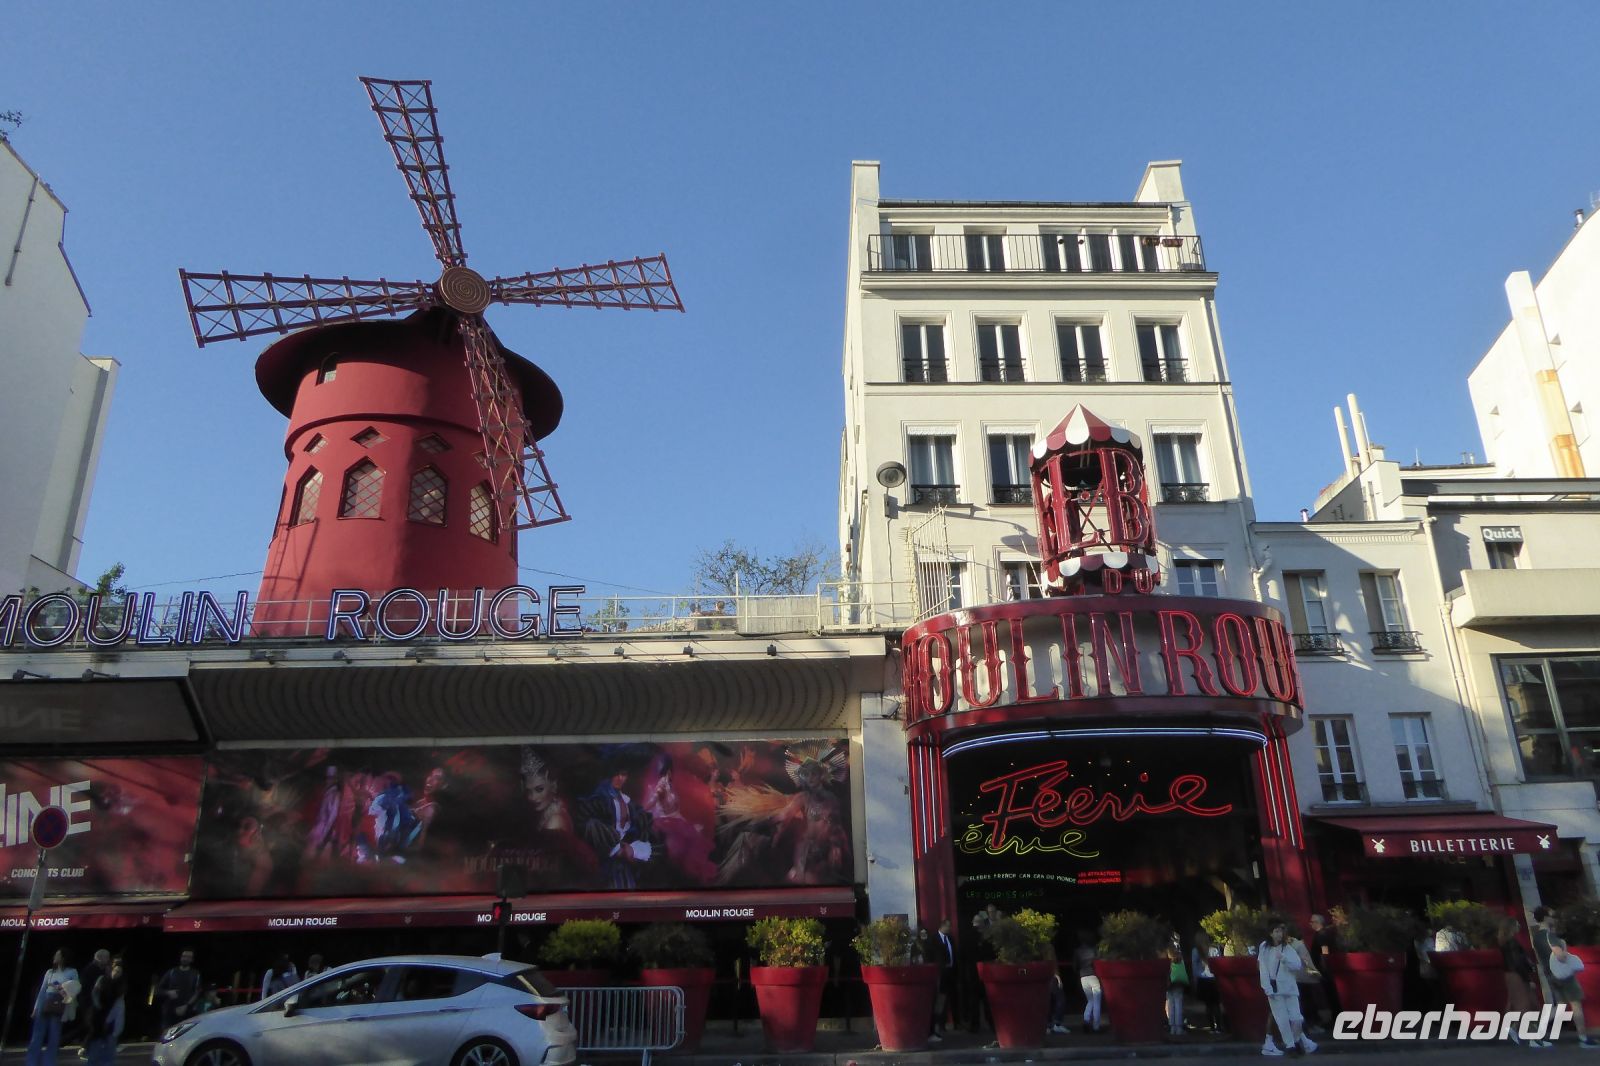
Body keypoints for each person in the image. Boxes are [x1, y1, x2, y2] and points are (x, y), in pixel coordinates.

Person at [1258, 922, 1315, 1057]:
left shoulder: (1287, 948)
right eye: (1276, 931)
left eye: (1280, 931)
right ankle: (1290, 1046)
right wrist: (1266, 987)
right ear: (1270, 933)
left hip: (1289, 988)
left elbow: (1296, 965)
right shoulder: (1264, 948)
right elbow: (1263, 969)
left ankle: (1296, 1041)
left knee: (1296, 1018)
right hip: (1274, 989)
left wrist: (1284, 959)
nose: (1279, 934)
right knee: (1281, 1019)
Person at [25, 949, 80, 1066]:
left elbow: (75, 988)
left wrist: (60, 987)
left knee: (54, 1037)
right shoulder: (50, 972)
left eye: (58, 955)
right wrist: (36, 1008)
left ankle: (49, 1063)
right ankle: (31, 1063)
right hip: (45, 1002)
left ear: (64, 958)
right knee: (37, 1036)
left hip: (60, 1003)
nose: (55, 956)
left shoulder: (71, 972)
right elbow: (42, 991)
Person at [1546, 937, 1599, 1049]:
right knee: (1576, 1007)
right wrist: (1564, 947)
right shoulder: (1552, 937)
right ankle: (1583, 1038)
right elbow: (1562, 957)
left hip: (1557, 977)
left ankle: (1538, 1029)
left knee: (1560, 1007)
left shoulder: (1543, 937)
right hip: (1567, 978)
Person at [1500, 919, 1545, 1048]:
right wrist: (1529, 979)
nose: (1519, 926)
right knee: (1525, 1005)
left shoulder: (1505, 942)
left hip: (1511, 975)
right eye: (1517, 924)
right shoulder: (1513, 943)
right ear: (1511, 927)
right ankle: (1532, 1038)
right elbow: (1518, 963)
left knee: (1517, 1004)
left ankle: (1513, 1028)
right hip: (1518, 975)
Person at [84, 957, 126, 1066]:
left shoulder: (121, 986)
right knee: (95, 1047)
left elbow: (119, 1007)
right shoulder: (102, 979)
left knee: (109, 1050)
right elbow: (94, 993)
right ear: (111, 969)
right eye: (115, 970)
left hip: (110, 1020)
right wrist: (98, 1007)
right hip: (98, 1017)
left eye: (119, 972)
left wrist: (112, 1022)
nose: (116, 973)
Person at [155, 949, 202, 1032]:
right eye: (184, 956)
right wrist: (168, 992)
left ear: (191, 960)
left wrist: (186, 1006)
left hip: (187, 1013)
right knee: (167, 1037)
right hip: (169, 1012)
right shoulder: (171, 972)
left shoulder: (195, 974)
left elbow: (197, 992)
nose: (185, 959)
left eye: (188, 957)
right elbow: (158, 990)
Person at [1290, 929, 1325, 1034]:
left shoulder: (1288, 946)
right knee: (1309, 1002)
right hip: (1306, 979)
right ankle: (1312, 1025)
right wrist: (1318, 974)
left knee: (1301, 1003)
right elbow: (1307, 962)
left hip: (1294, 978)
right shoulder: (1300, 946)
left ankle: (1304, 1026)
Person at [929, 918, 959, 1041]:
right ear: (942, 927)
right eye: (948, 927)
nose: (950, 929)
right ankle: (939, 1023)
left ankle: (954, 1022)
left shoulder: (950, 939)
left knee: (952, 997)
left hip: (951, 972)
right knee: (940, 999)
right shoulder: (934, 939)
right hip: (940, 973)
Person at [1308, 915, 1341, 1018]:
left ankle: (1336, 1017)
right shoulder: (1322, 934)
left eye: (1312, 921)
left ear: (1318, 922)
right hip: (1324, 968)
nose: (1310, 924)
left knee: (1330, 993)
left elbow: (1324, 950)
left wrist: (1324, 965)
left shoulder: (1321, 935)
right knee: (1330, 993)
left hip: (1324, 969)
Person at [1191, 930, 1223, 1033]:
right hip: (1214, 978)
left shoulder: (1196, 951)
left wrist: (1195, 981)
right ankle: (1219, 1026)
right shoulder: (1214, 949)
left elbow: (1194, 968)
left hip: (1203, 979)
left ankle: (1212, 1027)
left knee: (1208, 1005)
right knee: (1216, 1004)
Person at [1075, 929, 1104, 1034]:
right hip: (1093, 975)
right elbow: (1098, 961)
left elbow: (1075, 966)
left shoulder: (1077, 951)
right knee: (1096, 1001)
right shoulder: (1094, 950)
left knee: (1090, 1001)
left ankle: (1086, 1020)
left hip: (1083, 976)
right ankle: (1096, 1026)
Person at [1533, 907, 1556, 1001]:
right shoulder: (1547, 935)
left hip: (1549, 972)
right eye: (1552, 916)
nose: (1553, 919)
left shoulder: (1536, 936)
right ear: (1546, 918)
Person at [1166, 943, 1189, 1036]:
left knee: (1170, 1006)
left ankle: (1172, 1027)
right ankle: (1179, 1027)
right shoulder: (1180, 959)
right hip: (1179, 984)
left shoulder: (1168, 962)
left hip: (1170, 985)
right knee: (1178, 1005)